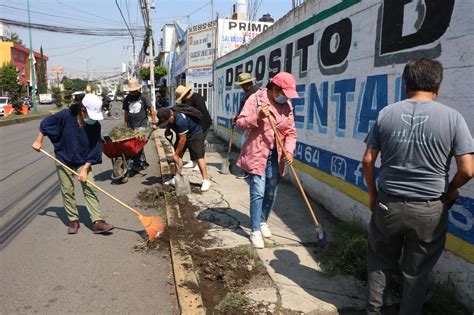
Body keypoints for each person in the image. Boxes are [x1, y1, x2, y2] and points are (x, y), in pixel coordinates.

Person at [362, 58, 473, 315]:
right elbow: (468, 169)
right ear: (438, 87)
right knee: (416, 274)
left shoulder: (386, 114)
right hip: (430, 209)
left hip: (388, 203)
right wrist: (451, 190)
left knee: (380, 263)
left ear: (405, 84)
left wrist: (372, 194)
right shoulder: (452, 118)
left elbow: (368, 160)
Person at [32, 94, 114, 235]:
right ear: (82, 110)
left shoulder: (95, 126)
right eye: (90, 115)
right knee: (67, 190)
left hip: (83, 160)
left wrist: (85, 169)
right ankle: (73, 220)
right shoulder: (65, 116)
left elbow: (95, 148)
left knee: (90, 187)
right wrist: (38, 141)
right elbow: (45, 124)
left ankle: (97, 221)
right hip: (63, 158)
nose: (92, 119)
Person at [235, 72, 298, 249]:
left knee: (271, 192)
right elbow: (240, 123)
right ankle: (255, 230)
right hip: (257, 153)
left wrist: (289, 151)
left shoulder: (287, 105)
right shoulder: (256, 99)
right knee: (258, 191)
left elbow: (291, 132)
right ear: (275, 88)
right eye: (284, 93)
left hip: (275, 156)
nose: (286, 98)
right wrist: (257, 116)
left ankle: (262, 220)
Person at [157, 107, 211, 192]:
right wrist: (168, 129)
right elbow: (170, 124)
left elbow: (183, 140)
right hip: (183, 134)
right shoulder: (169, 114)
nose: (167, 123)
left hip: (195, 133)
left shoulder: (180, 120)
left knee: (198, 156)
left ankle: (206, 180)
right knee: (178, 156)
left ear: (171, 115)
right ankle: (176, 177)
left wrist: (176, 154)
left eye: (167, 121)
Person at [122, 78, 157, 171]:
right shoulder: (127, 99)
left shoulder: (143, 97)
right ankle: (139, 161)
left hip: (142, 125)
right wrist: (125, 125)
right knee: (130, 145)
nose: (132, 92)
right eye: (131, 91)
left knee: (137, 144)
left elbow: (152, 110)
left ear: (138, 89)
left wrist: (153, 123)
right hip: (130, 126)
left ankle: (137, 163)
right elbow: (126, 112)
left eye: (133, 91)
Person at [175, 84, 212, 169]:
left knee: (199, 144)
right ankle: (193, 161)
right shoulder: (184, 101)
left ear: (185, 94)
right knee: (191, 143)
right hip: (193, 126)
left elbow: (201, 113)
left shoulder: (197, 98)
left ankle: (199, 162)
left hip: (203, 124)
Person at [232, 72, 259, 179]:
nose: (242, 87)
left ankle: (247, 172)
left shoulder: (254, 93)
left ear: (248, 83)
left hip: (250, 125)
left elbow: (252, 112)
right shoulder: (250, 92)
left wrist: (240, 118)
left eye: (243, 85)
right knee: (246, 148)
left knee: (247, 148)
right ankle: (248, 171)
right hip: (247, 123)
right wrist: (237, 117)